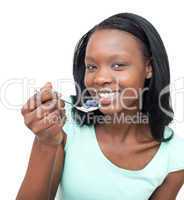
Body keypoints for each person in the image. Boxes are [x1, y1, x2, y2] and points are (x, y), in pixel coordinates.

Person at [17, 13, 184, 200]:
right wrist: (45, 142)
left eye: (118, 65)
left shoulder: (174, 155)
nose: (99, 79)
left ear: (149, 67)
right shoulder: (64, 124)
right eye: (91, 67)